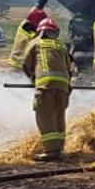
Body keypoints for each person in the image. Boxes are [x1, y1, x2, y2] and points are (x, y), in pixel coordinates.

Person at [19, 18, 73, 160]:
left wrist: (34, 80)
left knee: (45, 117)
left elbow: (26, 64)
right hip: (63, 88)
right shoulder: (61, 46)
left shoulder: (36, 43)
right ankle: (59, 149)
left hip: (45, 86)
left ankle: (51, 151)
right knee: (58, 116)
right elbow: (69, 68)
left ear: (41, 32)